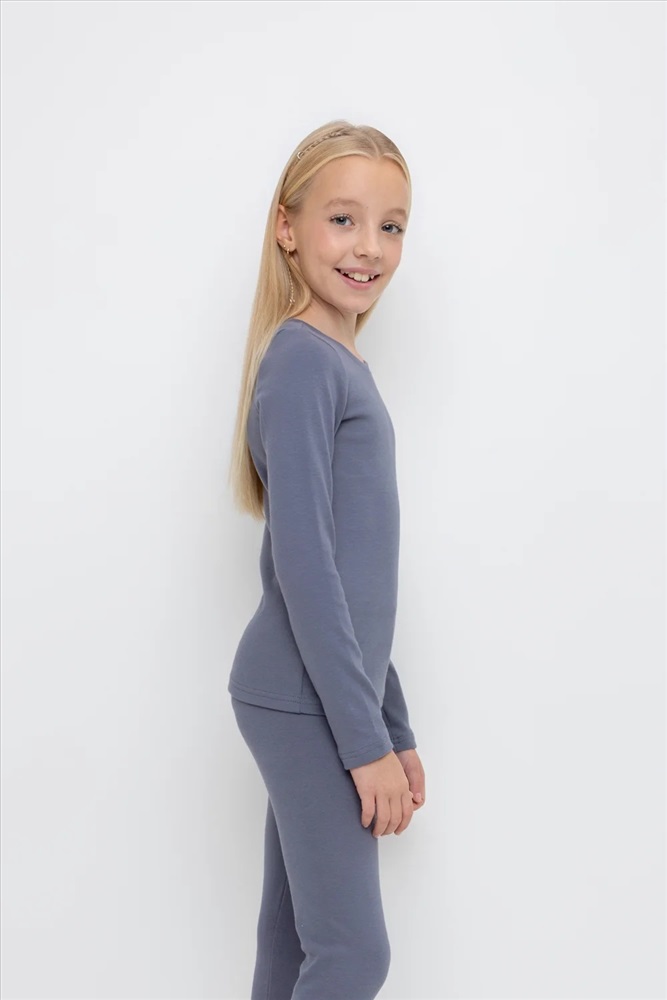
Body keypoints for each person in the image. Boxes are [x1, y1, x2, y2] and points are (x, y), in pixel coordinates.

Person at [226, 119, 427, 1000]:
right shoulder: (304, 363)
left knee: (294, 949)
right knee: (351, 956)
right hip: (301, 695)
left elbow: (356, 586)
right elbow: (304, 572)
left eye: (391, 225)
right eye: (342, 219)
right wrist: (363, 742)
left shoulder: (335, 363)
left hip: (312, 693)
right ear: (287, 226)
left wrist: (394, 727)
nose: (368, 247)